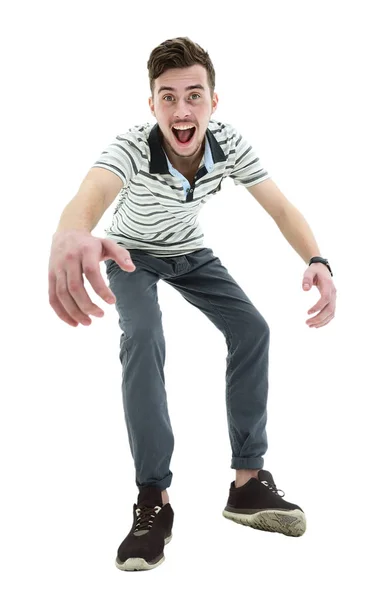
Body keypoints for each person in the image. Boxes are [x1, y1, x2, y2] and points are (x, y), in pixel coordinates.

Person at [48, 37, 337, 571]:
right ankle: (153, 499)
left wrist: (318, 259)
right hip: (131, 255)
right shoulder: (133, 146)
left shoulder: (228, 143)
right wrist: (71, 232)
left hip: (192, 254)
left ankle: (247, 485)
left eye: (194, 96)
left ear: (213, 101)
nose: (182, 111)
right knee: (144, 337)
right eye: (168, 97)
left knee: (253, 330)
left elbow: (280, 207)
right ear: (152, 104)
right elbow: (89, 195)